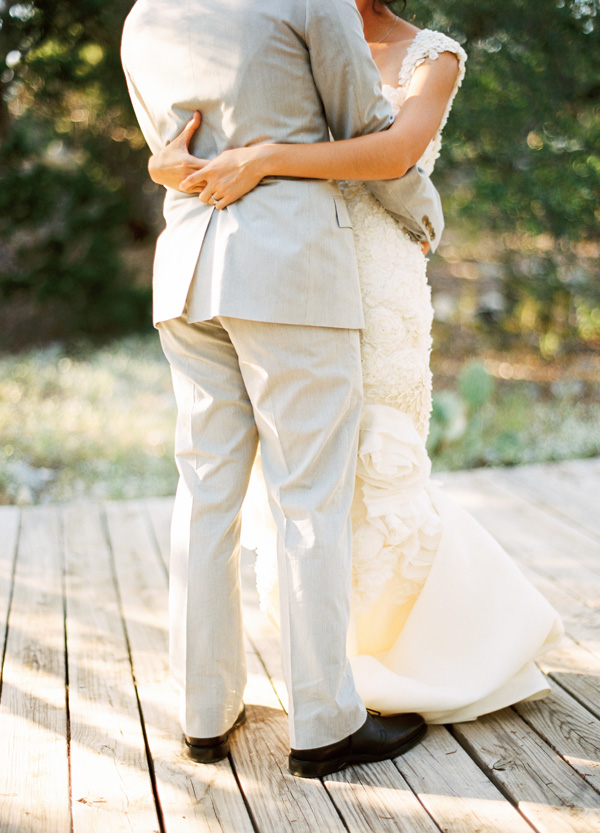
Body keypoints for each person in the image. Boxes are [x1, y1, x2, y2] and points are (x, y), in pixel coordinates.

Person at [150, 0, 564, 727]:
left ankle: (389, 656)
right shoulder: (287, 24)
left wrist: (267, 158)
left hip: (372, 271)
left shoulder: (432, 55)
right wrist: (172, 162)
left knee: (375, 466)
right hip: (292, 266)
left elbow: (393, 151)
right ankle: (321, 687)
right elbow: (204, 131)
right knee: (302, 485)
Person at [121, 0, 448, 779]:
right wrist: (419, 206)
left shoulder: (144, 15)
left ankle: (203, 713)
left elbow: (168, 152)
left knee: (204, 493)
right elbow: (371, 130)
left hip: (188, 265)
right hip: (289, 267)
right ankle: (325, 723)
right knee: (309, 496)